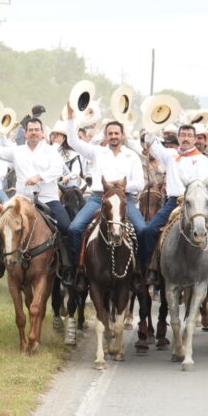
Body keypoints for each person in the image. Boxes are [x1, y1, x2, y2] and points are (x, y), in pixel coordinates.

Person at [0, 118, 74, 289]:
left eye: (36, 130)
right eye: (30, 130)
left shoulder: (51, 151)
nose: (33, 132)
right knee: (0, 224)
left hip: (47, 197)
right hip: (22, 199)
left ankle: (68, 268)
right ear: (25, 134)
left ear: (42, 133)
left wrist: (39, 177)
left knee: (66, 227)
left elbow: (57, 169)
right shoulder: (16, 151)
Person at [141, 124, 208, 281]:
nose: (186, 138)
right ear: (178, 137)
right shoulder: (170, 155)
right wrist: (151, 126)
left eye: (189, 135)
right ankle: (149, 267)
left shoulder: (201, 159)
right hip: (174, 202)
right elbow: (152, 144)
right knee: (149, 230)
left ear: (194, 139)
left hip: (196, 203)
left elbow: (200, 184)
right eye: (183, 135)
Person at [65, 104, 146, 283]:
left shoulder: (132, 156)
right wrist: (70, 117)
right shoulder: (97, 152)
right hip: (98, 198)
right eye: (110, 133)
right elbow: (72, 142)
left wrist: (121, 186)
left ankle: (140, 271)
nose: (114, 136)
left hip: (126, 200)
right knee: (74, 228)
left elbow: (140, 183)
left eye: (117, 133)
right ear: (106, 136)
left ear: (122, 135)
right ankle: (78, 269)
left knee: (142, 230)